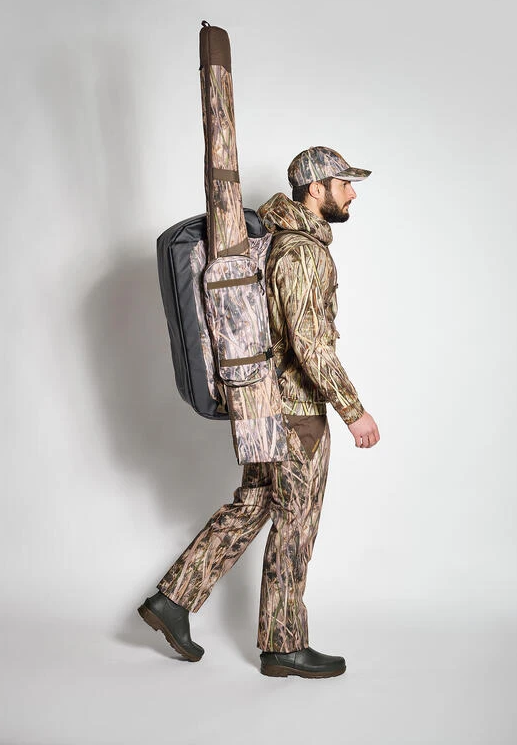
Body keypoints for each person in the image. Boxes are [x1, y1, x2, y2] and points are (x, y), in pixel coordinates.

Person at [139, 146, 380, 679]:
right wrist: (353, 411)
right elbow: (310, 345)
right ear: (315, 189)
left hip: (261, 405)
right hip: (295, 413)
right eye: (344, 184)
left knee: (253, 503)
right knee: (295, 525)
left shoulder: (277, 243)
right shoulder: (302, 253)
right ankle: (283, 646)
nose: (352, 194)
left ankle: (173, 599)